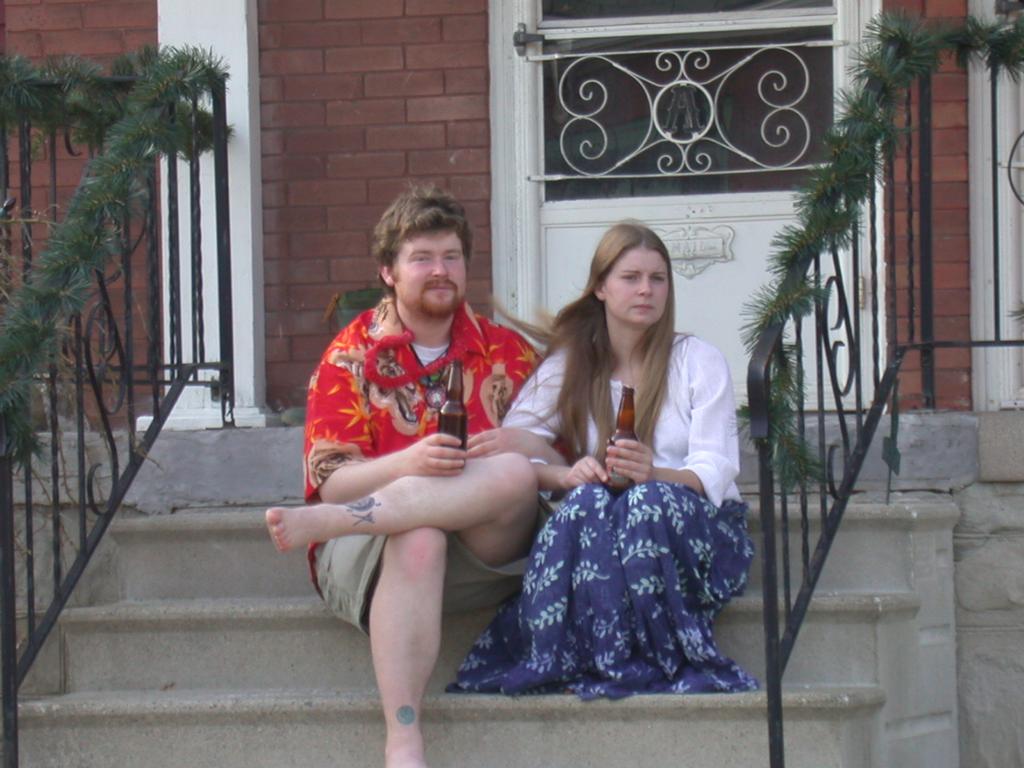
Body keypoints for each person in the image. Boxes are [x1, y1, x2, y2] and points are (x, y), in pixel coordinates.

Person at [264, 186, 551, 768]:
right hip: (372, 553)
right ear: (388, 272)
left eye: (451, 256)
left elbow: (557, 461)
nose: (440, 270)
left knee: (516, 472)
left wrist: (525, 447)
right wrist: (408, 463)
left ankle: (339, 521)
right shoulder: (349, 357)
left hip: (482, 553)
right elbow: (333, 479)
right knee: (418, 537)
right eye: (422, 258)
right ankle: (403, 739)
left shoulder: (510, 354)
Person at [449, 221, 757, 699]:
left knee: (646, 501)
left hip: (697, 527)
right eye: (631, 277)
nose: (646, 290)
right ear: (600, 287)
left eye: (657, 279)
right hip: (612, 524)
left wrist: (654, 473)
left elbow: (715, 468)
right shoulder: (573, 365)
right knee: (584, 502)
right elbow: (515, 443)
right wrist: (565, 474)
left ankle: (656, 655)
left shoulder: (698, 360)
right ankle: (569, 653)